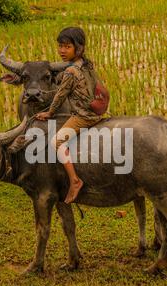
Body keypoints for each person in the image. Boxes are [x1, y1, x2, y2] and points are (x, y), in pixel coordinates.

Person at [35, 26, 103, 204]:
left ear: (78, 48)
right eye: (60, 46)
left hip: (83, 116)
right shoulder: (87, 65)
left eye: (67, 47)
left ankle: (74, 180)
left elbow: (60, 96)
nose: (62, 51)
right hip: (96, 111)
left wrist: (49, 112)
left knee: (56, 141)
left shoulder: (70, 71)